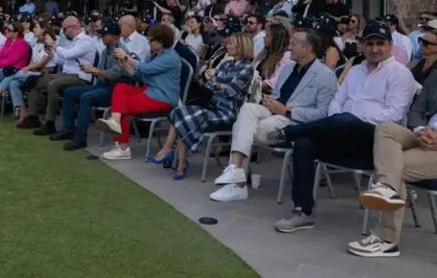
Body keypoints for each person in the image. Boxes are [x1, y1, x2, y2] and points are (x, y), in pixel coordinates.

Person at [274, 22, 417, 233]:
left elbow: (394, 114)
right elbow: (336, 100)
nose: (375, 49)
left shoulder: (400, 74)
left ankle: (289, 131)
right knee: (304, 143)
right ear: (362, 45)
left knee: (347, 119)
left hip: (376, 141)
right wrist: (338, 120)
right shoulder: (357, 71)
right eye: (370, 43)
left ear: (390, 45)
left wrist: (353, 118)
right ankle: (302, 211)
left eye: (380, 44)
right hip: (341, 132)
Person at [209, 29, 337, 201]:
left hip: (295, 121)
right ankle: (235, 171)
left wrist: (286, 110)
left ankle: (237, 185)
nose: (289, 48)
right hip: (273, 113)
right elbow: (277, 95)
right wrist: (269, 102)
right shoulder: (287, 69)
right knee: (247, 108)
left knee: (243, 127)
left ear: (308, 48)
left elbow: (323, 114)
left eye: (294, 44)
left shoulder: (325, 75)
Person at [346, 68, 437, 258]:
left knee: (395, 168)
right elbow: (417, 110)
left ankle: (386, 239)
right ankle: (386, 187)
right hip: (425, 136)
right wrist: (420, 130)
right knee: (386, 129)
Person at [149, 32, 255, 179]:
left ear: (241, 46)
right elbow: (208, 84)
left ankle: (178, 161)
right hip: (212, 105)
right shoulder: (226, 64)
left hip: (228, 112)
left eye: (231, 43)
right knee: (179, 111)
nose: (227, 46)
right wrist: (219, 86)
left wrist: (216, 84)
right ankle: (173, 156)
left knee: (185, 117)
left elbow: (231, 91)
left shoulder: (247, 68)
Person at [95, 24, 182, 160]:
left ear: (161, 41)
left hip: (162, 98)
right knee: (120, 87)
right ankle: (115, 121)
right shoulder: (154, 55)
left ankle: (123, 147)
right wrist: (125, 65)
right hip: (150, 91)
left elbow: (146, 69)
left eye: (152, 40)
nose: (149, 42)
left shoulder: (171, 57)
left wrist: (126, 57)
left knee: (123, 106)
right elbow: (140, 75)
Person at [56, 21, 127, 151]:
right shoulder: (106, 51)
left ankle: (80, 137)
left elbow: (114, 75)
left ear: (112, 37)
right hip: (102, 85)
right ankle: (68, 129)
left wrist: (94, 71)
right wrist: (91, 70)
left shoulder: (120, 51)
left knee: (86, 97)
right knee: (69, 92)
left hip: (115, 89)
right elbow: (100, 72)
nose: (101, 37)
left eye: (104, 35)